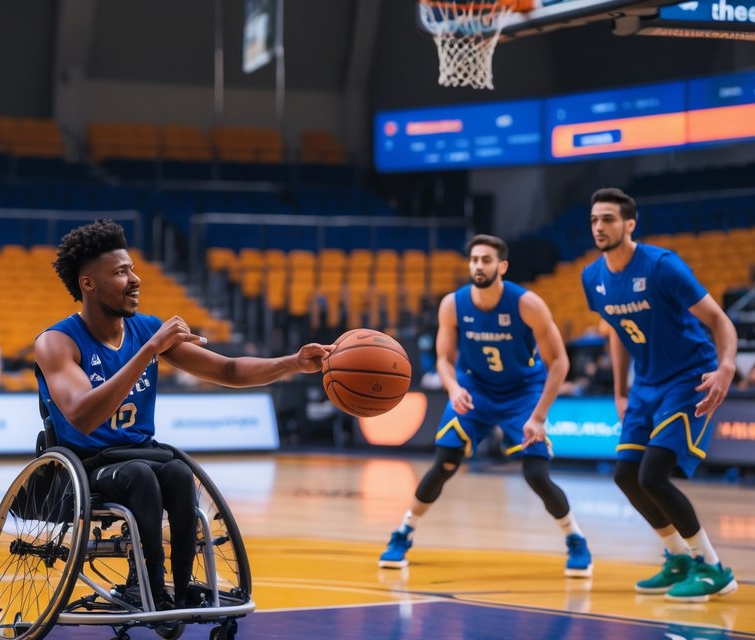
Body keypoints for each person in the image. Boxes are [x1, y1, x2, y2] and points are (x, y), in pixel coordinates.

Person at [37, 220, 333, 609]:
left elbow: (227, 370)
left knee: (177, 472)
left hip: (138, 453)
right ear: (88, 284)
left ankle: (181, 586)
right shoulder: (56, 342)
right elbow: (82, 416)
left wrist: (293, 362)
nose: (135, 280)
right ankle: (147, 586)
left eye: (133, 269)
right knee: (141, 475)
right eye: (121, 272)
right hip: (84, 465)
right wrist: (149, 351)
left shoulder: (145, 329)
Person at [379, 235, 590, 576]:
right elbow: (444, 360)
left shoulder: (527, 304)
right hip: (474, 390)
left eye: (486, 260)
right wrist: (453, 389)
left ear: (502, 266)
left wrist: (539, 416)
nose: (479, 265)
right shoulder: (453, 304)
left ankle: (575, 539)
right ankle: (403, 533)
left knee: (536, 475)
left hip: (522, 393)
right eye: (474, 259)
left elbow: (560, 363)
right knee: (445, 463)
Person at [581, 187, 739, 602]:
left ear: (630, 224)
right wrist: (620, 391)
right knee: (625, 475)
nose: (599, 227)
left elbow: (720, 320)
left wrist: (726, 367)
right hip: (645, 386)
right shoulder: (592, 278)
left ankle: (713, 569)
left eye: (608, 219)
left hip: (689, 378)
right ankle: (679, 559)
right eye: (594, 219)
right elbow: (617, 333)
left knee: (652, 474)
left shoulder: (662, 266)